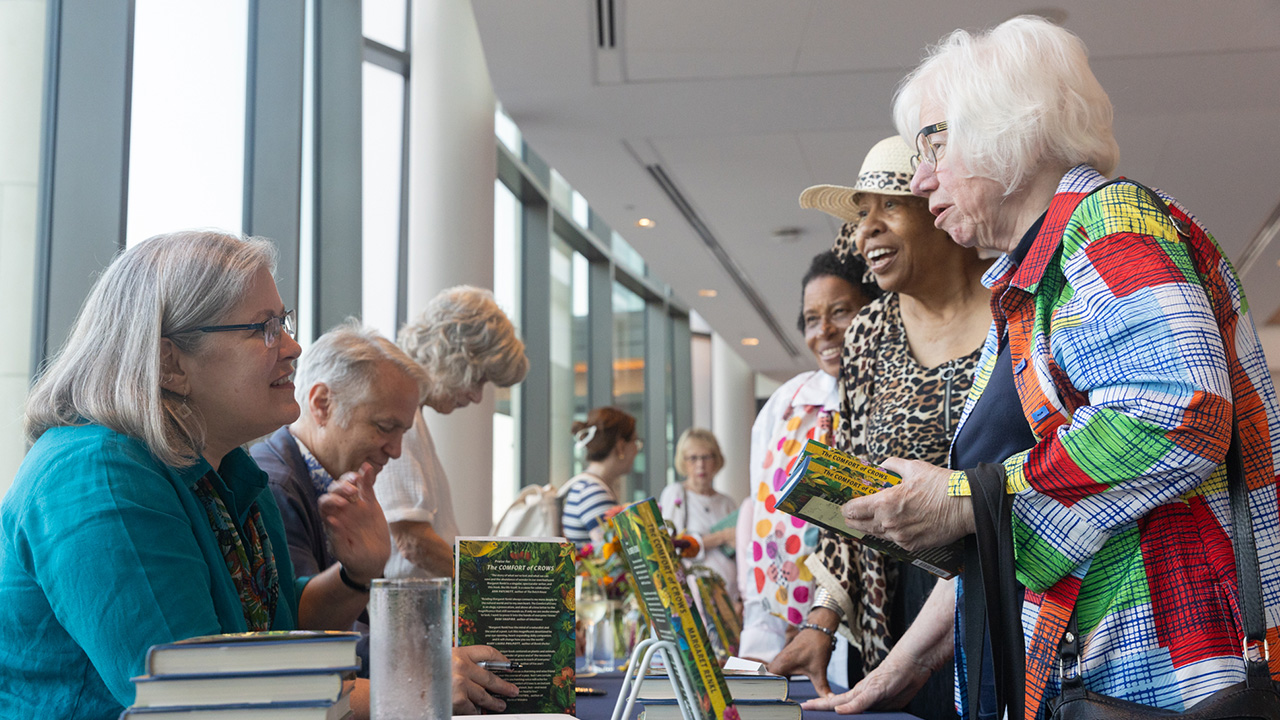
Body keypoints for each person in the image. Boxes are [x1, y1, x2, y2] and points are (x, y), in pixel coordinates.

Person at [813, 16, 1280, 719]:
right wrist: (898, 668)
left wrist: (962, 497)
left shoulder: (1111, 224)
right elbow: (998, 506)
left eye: (935, 142)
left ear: (1009, 130)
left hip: (1158, 672)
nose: (922, 175)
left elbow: (1177, 413)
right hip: (1092, 674)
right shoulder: (1029, 284)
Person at [0, 231, 508, 719]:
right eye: (262, 328)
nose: (293, 347)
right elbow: (194, 694)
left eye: (283, 322)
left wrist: (356, 575)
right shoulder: (98, 477)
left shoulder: (229, 473)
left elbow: (275, 636)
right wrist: (414, 686)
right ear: (169, 361)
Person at [770, 136, 991, 720]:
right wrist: (824, 615)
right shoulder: (870, 330)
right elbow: (846, 484)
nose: (866, 230)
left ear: (938, 207)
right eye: (861, 213)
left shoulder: (1014, 308)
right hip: (896, 605)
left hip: (1008, 592)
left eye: (888, 207)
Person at [737, 248, 877, 683]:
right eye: (813, 320)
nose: (826, 331)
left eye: (841, 312)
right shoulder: (785, 403)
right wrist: (757, 629)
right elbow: (763, 517)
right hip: (778, 618)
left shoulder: (886, 401)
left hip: (866, 628)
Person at [377, 286, 529, 579]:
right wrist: (489, 588)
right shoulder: (395, 415)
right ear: (454, 357)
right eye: (479, 380)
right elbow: (413, 541)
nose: (477, 397)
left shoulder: (414, 416)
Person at [659, 428, 738, 599]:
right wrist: (722, 536)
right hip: (695, 599)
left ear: (716, 460)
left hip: (730, 597)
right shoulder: (677, 494)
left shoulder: (727, 502)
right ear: (683, 461)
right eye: (693, 458)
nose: (700, 465)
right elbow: (671, 546)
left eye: (706, 457)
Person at [561, 406, 640, 548]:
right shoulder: (593, 493)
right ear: (621, 446)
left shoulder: (586, 486)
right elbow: (613, 557)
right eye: (635, 441)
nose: (636, 450)